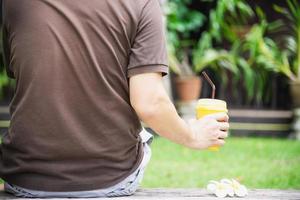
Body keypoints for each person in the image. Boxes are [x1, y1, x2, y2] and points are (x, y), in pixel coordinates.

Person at [0, 0, 229, 198]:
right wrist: (194, 136)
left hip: (24, 178)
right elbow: (150, 104)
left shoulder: (15, 3)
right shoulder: (142, 4)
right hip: (110, 179)